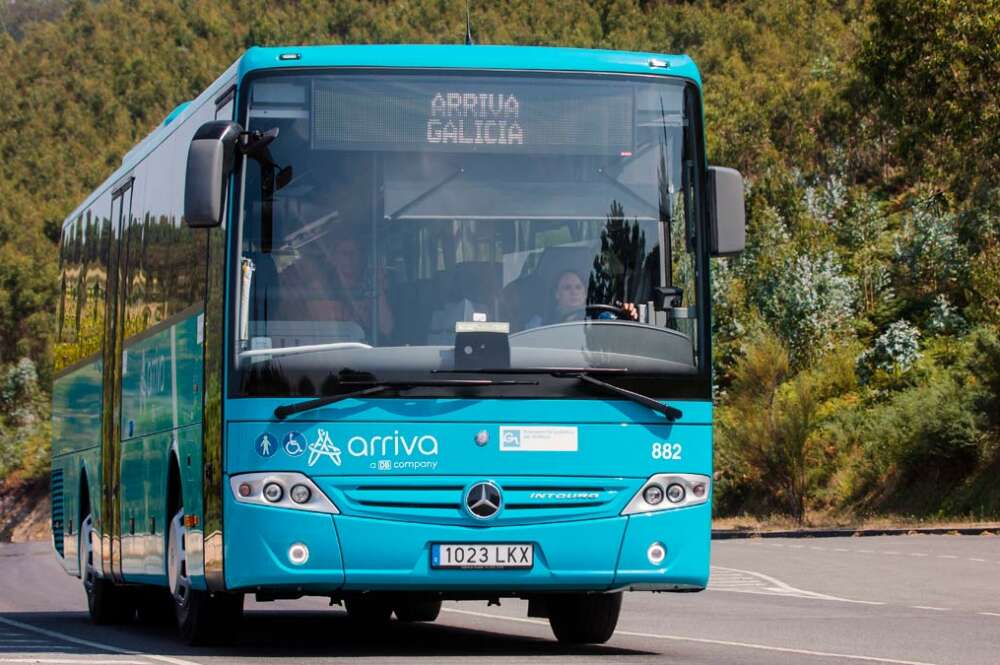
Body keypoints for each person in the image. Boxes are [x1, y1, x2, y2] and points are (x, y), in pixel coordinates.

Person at [284, 234, 394, 341]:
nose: (351, 259)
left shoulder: (370, 290)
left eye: (356, 253)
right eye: (345, 254)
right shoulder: (322, 291)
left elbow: (386, 329)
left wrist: (379, 290)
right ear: (333, 259)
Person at [525, 270, 638, 328]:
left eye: (578, 287)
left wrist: (627, 316)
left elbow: (617, 327)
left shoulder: (598, 317)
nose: (574, 292)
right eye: (567, 288)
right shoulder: (541, 322)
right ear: (557, 294)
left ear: (585, 294)